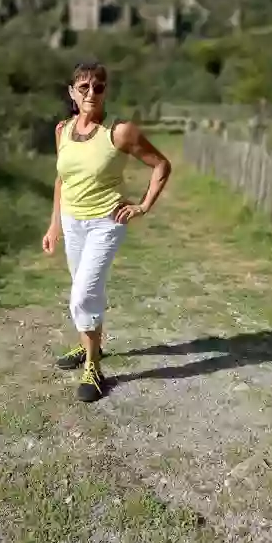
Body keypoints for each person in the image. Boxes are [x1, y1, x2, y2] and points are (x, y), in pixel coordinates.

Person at [42, 61, 172, 403]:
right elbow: (62, 179)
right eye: (83, 87)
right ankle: (88, 345)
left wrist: (143, 205)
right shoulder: (62, 130)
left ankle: (94, 366)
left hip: (105, 222)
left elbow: (161, 165)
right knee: (84, 291)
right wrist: (55, 223)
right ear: (71, 92)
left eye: (98, 87)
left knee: (83, 295)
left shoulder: (119, 131)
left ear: (105, 91)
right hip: (72, 221)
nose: (91, 93)